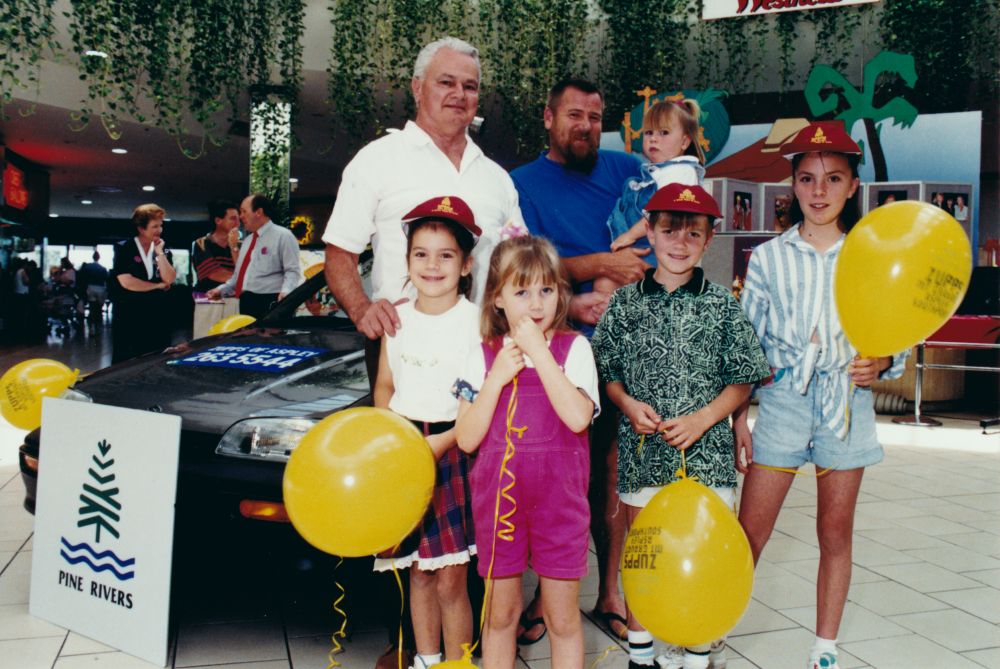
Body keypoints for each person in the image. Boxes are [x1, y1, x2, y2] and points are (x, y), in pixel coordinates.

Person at [322, 37, 523, 667]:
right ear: (417, 88)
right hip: (399, 352)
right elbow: (337, 255)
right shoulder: (377, 161)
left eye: (469, 85)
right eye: (446, 82)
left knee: (469, 519)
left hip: (479, 363)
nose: (459, 95)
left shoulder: (495, 177)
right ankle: (409, 648)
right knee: (403, 517)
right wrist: (362, 309)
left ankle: (469, 652)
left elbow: (517, 258)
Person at [733, 121, 908, 669]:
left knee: (835, 532)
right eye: (807, 178)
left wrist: (881, 361)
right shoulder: (767, 259)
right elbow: (746, 346)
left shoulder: (871, 257)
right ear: (792, 184)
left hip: (846, 408)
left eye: (833, 179)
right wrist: (740, 419)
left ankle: (825, 647)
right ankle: (709, 627)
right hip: (783, 404)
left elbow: (896, 334)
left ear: (853, 185)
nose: (819, 190)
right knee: (749, 533)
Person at [592, 183, 769, 669]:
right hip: (644, 457)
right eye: (669, 229)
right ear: (649, 231)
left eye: (694, 232)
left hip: (707, 460)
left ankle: (697, 652)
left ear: (709, 240)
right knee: (644, 557)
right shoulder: (625, 304)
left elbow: (743, 378)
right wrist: (626, 404)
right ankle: (641, 654)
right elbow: (608, 372)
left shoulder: (722, 305)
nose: (680, 241)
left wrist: (704, 420)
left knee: (703, 556)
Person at [509, 77, 641, 643]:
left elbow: (666, 235)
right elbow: (523, 268)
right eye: (573, 115)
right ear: (548, 117)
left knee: (612, 469)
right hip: (553, 351)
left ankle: (608, 593)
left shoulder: (626, 169)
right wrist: (598, 269)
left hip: (623, 345)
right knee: (558, 472)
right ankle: (545, 594)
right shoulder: (521, 184)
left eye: (594, 116)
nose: (585, 125)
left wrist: (617, 278)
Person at [454, 235, 599, 669]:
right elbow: (465, 438)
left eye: (546, 290)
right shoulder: (479, 356)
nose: (536, 304)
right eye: (521, 292)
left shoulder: (575, 350)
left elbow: (577, 417)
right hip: (498, 503)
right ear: (497, 298)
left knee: (561, 617)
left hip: (561, 504)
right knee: (501, 615)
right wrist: (496, 379)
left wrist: (540, 353)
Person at [372, 196, 481, 668]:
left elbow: (480, 403)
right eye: (421, 254)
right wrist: (393, 439)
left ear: (466, 263)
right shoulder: (396, 319)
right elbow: (385, 384)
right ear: (407, 259)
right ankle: (426, 659)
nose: (432, 265)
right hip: (403, 449)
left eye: (445, 255)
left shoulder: (478, 323)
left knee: (451, 578)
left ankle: (458, 663)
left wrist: (437, 444)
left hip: (453, 447)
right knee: (417, 572)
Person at [603, 99, 706, 274]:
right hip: (643, 244)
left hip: (660, 250)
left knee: (612, 282)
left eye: (664, 132)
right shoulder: (654, 173)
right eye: (648, 132)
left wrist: (629, 236)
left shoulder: (681, 171)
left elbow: (661, 212)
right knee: (605, 281)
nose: (653, 139)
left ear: (684, 142)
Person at [206, 194, 302, 319]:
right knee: (248, 338)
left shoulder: (283, 236)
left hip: (271, 300)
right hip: (247, 301)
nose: (241, 217)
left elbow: (292, 271)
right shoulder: (247, 241)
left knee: (271, 338)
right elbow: (240, 275)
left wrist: (286, 293)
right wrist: (222, 289)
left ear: (259, 212)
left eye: (244, 211)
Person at [110, 204, 177, 363]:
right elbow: (127, 282)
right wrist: (157, 286)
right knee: (128, 358)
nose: (159, 230)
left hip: (157, 312)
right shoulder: (124, 248)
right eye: (154, 226)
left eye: (161, 225)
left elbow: (169, 278)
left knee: (157, 356)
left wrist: (160, 253)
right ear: (141, 228)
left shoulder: (164, 250)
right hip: (130, 313)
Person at [191, 200, 240, 292]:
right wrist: (243, 279)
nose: (238, 223)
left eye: (238, 219)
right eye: (233, 218)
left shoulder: (240, 245)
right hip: (207, 298)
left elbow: (248, 271)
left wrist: (234, 247)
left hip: (234, 298)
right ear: (218, 221)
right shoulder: (201, 243)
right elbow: (215, 274)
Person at [77, 251, 109, 333]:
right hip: (101, 288)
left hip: (91, 287)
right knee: (98, 308)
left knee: (92, 307)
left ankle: (92, 327)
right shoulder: (103, 268)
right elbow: (106, 279)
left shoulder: (88, 267)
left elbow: (83, 278)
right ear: (99, 257)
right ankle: (98, 327)